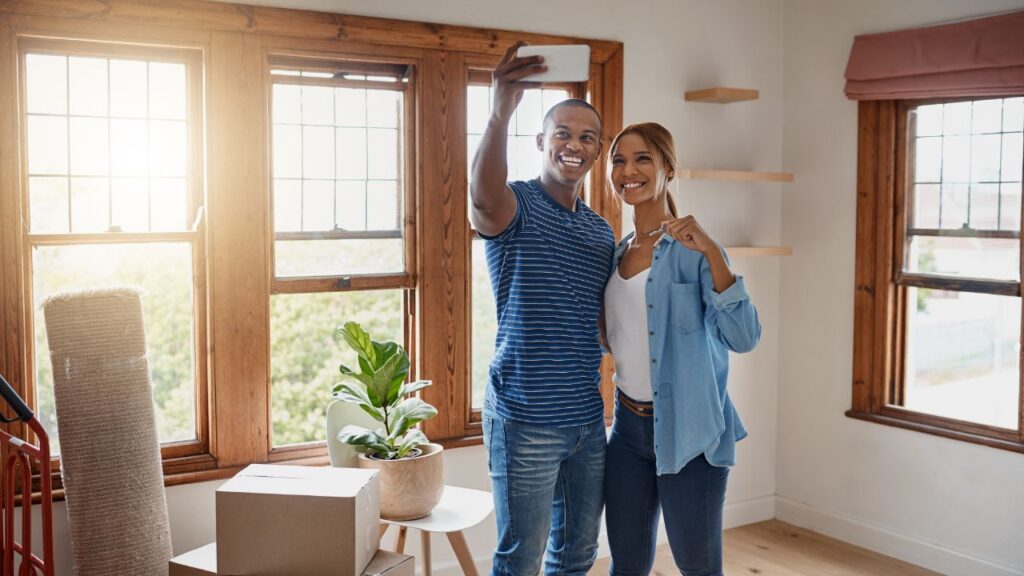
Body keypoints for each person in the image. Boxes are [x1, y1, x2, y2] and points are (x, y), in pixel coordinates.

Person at [470, 41, 614, 576]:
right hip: (525, 418)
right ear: (541, 142)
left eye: (587, 138)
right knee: (519, 559)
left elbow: (605, 324)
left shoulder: (600, 230)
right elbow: (481, 200)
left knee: (577, 553)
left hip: (585, 419)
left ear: (598, 151)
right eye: (562, 134)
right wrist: (498, 110)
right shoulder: (517, 205)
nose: (573, 146)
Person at [601, 122, 761, 576]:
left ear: (668, 169)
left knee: (698, 567)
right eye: (618, 160)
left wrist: (712, 251)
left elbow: (744, 336)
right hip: (628, 433)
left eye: (642, 159)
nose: (628, 171)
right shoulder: (616, 254)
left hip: (691, 435)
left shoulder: (695, 251)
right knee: (626, 566)